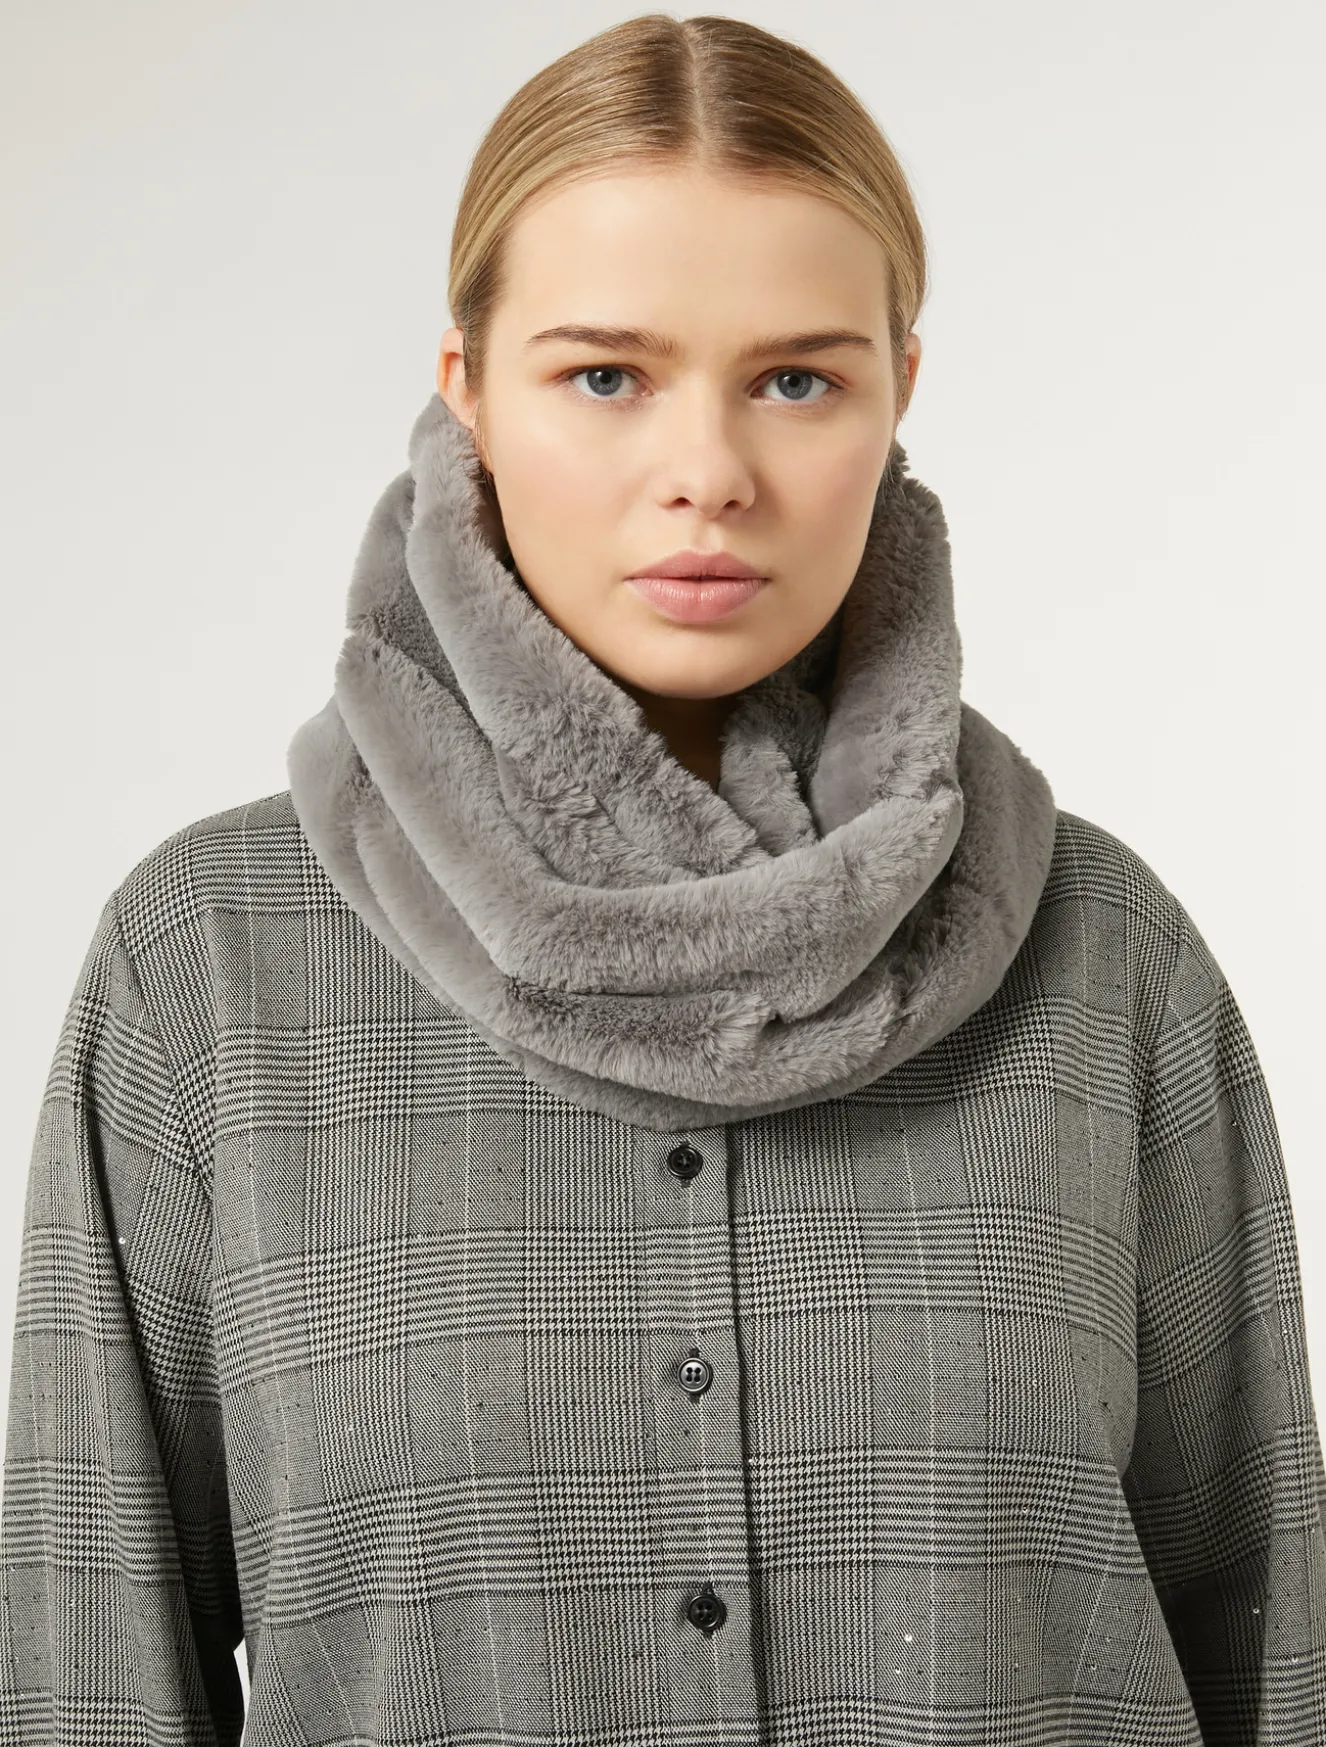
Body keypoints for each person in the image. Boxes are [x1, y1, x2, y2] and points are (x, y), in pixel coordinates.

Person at [3, 13, 1323, 1746]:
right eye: (606, 376)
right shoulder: (208, 973)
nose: (706, 472)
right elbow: (91, 1673)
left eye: (796, 379)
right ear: (466, 388)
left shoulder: (1100, 958)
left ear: (898, 389)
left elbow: (1271, 1649)